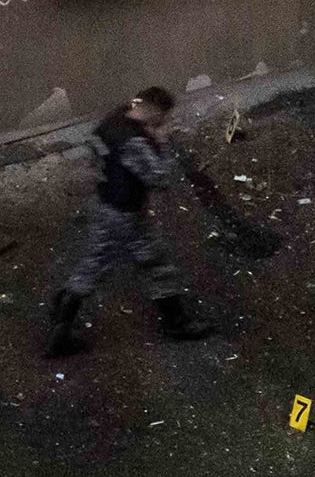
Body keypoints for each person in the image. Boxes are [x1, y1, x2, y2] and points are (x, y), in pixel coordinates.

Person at [48, 87, 215, 358]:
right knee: (151, 264)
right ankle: (177, 324)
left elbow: (94, 155)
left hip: (105, 203)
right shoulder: (135, 141)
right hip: (125, 214)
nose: (165, 120)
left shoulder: (112, 121)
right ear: (155, 110)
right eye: (164, 115)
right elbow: (159, 178)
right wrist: (161, 141)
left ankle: (63, 308)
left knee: (96, 261)